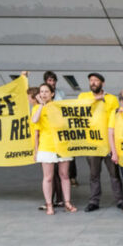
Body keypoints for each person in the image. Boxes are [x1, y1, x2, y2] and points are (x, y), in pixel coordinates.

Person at [78, 72, 123, 212]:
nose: (93, 83)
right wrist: (98, 99)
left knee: (115, 174)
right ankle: (94, 201)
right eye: (91, 80)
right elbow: (80, 109)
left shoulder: (111, 98)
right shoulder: (83, 96)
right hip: (91, 144)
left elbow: (116, 117)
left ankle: (120, 199)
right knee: (94, 175)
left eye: (96, 80)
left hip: (109, 143)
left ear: (102, 83)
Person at [31, 82, 76, 214]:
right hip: (46, 146)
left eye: (46, 91)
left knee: (64, 175)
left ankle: (67, 202)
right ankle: (49, 204)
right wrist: (41, 105)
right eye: (41, 92)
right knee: (48, 177)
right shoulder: (37, 108)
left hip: (62, 145)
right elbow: (34, 121)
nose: (43, 94)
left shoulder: (58, 107)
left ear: (52, 94)